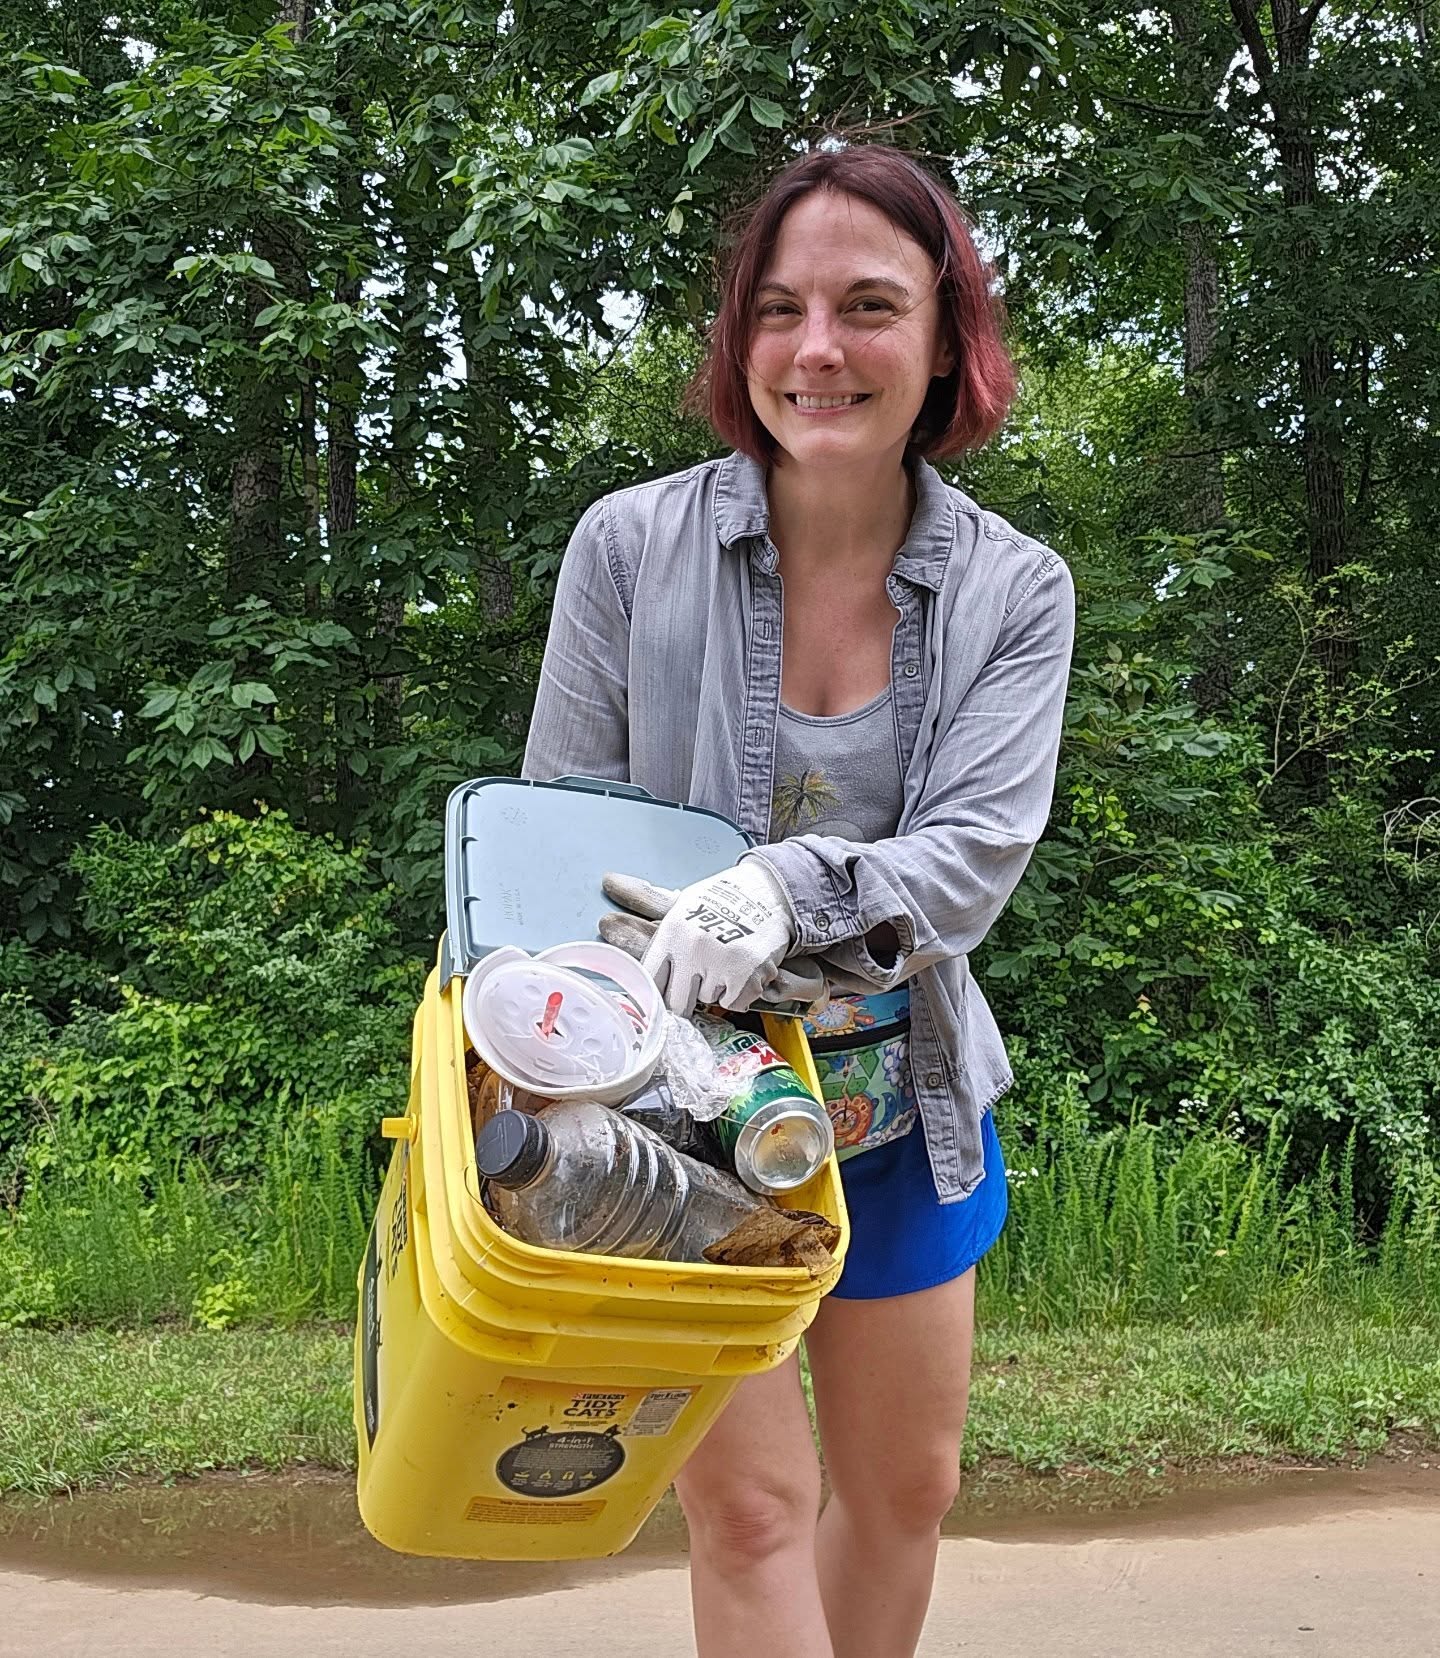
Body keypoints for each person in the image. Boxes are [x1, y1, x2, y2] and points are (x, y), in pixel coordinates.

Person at [523, 143, 1074, 1658]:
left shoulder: (1017, 592)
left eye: (867, 306)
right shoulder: (628, 551)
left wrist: (784, 881)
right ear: (738, 340)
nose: (817, 349)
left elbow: (970, 856)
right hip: (673, 1119)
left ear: (946, 337)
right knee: (752, 1511)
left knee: (906, 1493)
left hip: (901, 1111)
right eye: (780, 309)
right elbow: (560, 842)